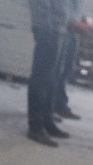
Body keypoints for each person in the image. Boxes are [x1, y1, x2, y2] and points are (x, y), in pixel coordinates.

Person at [27, 0, 70, 146]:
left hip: (59, 28)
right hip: (48, 27)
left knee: (52, 78)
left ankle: (47, 120)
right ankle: (35, 126)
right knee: (41, 77)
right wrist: (45, 25)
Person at [54, 0, 83, 122]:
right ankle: (46, 108)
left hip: (72, 31)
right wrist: (71, 21)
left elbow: (77, 8)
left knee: (66, 68)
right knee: (56, 70)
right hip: (61, 28)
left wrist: (80, 21)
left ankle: (59, 104)